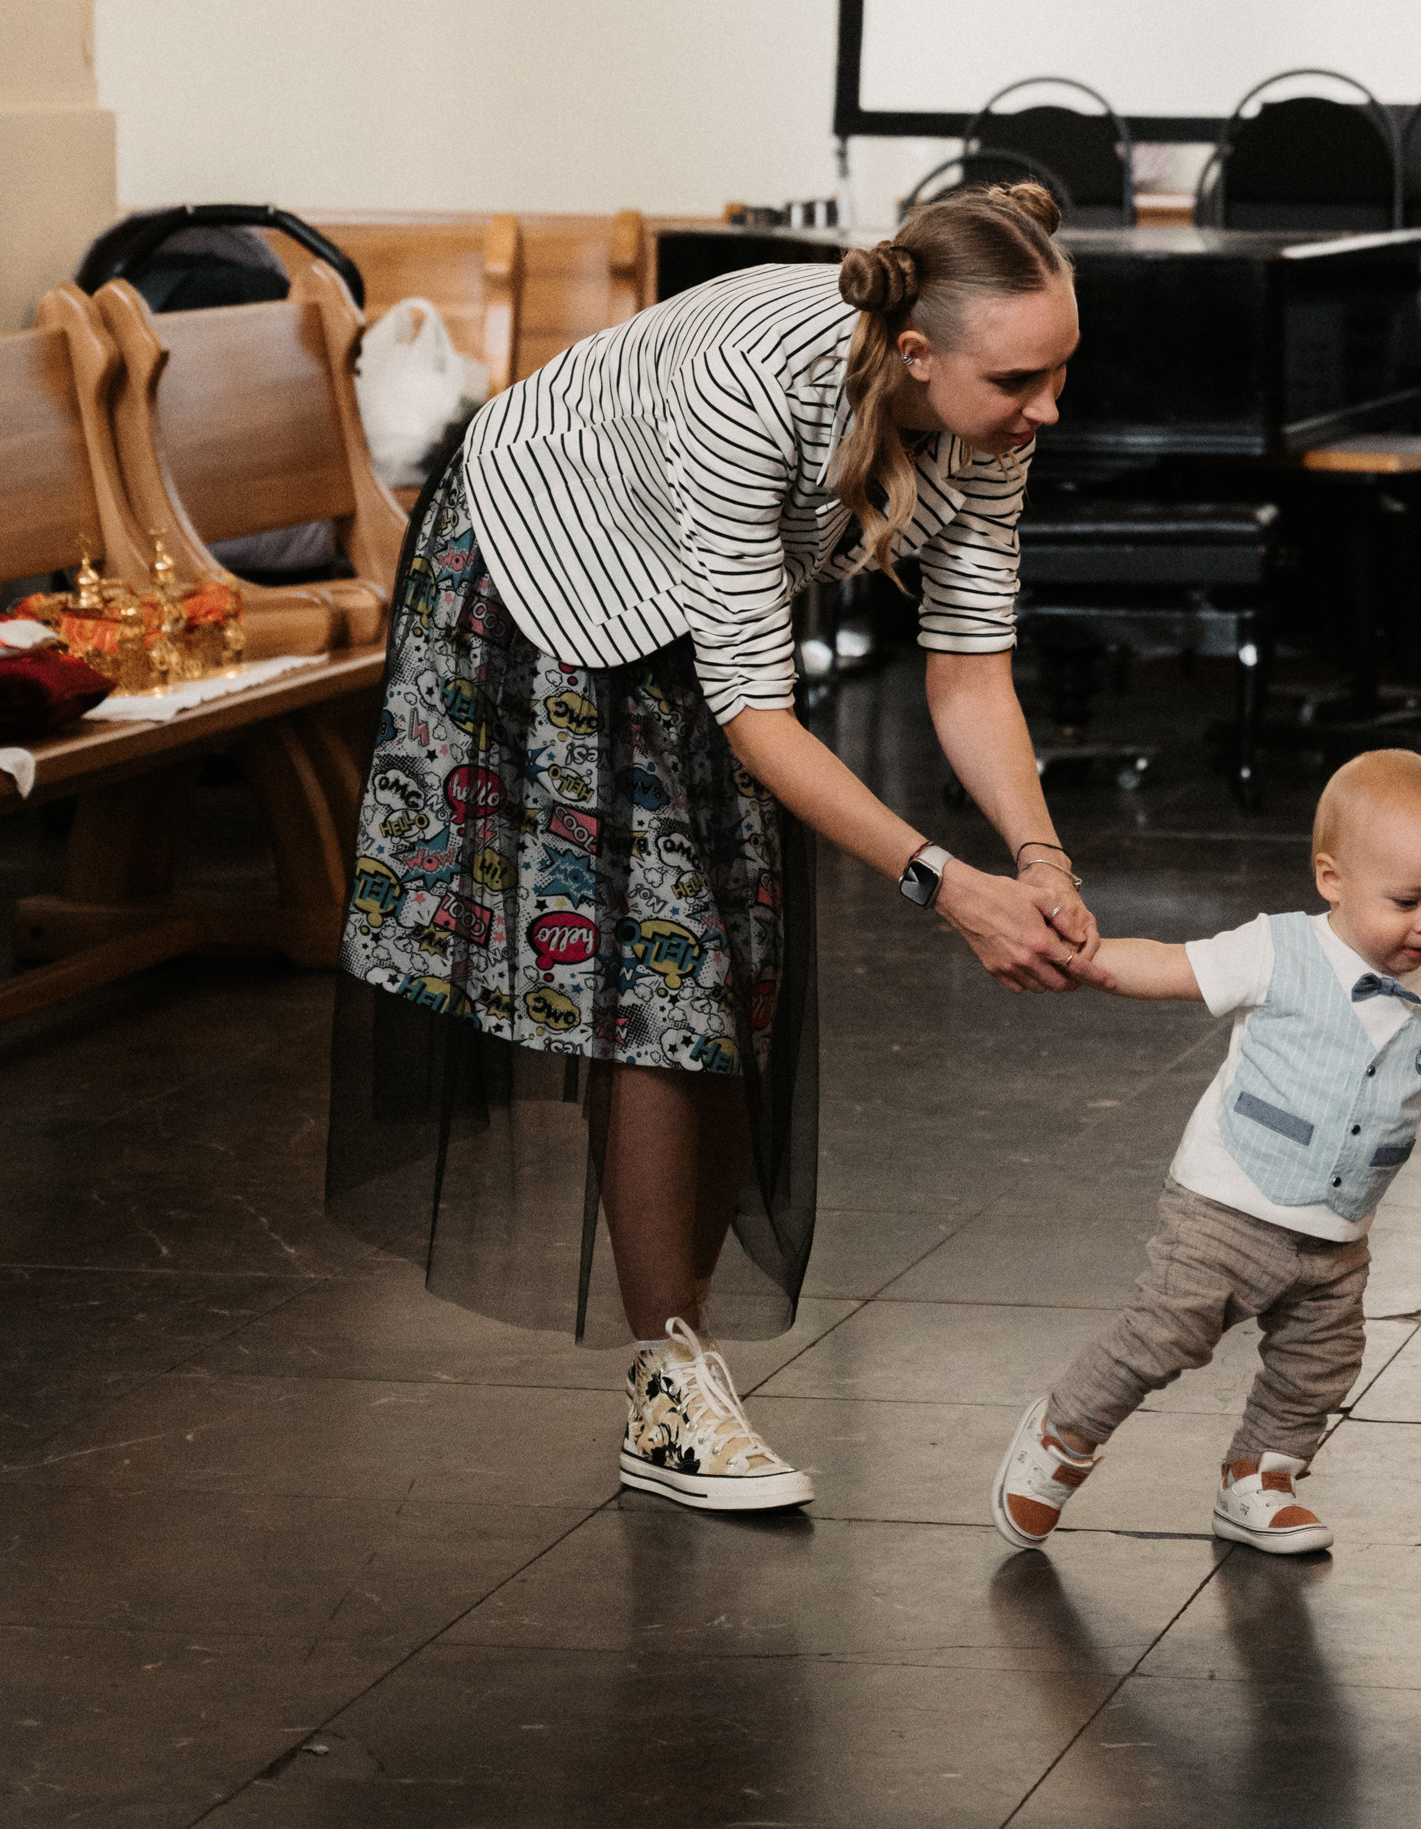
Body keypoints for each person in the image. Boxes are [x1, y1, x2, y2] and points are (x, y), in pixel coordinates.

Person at [328, 180, 1106, 1516]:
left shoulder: (989, 413)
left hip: (689, 602)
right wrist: (943, 884)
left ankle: (677, 1369)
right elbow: (757, 713)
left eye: (1059, 373)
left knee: (734, 960)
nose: (1047, 408)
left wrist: (1040, 859)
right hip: (546, 574)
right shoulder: (754, 383)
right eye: (1020, 381)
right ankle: (668, 1388)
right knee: (664, 974)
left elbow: (971, 668)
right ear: (917, 352)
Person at [991, 747, 1421, 1557]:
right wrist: (1087, 960)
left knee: (1320, 1362)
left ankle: (1259, 1479)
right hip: (1228, 1197)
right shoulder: (1278, 949)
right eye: (1406, 901)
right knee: (1167, 1333)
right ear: (1332, 879)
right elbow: (1175, 966)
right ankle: (1064, 1434)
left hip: (1338, 1226)